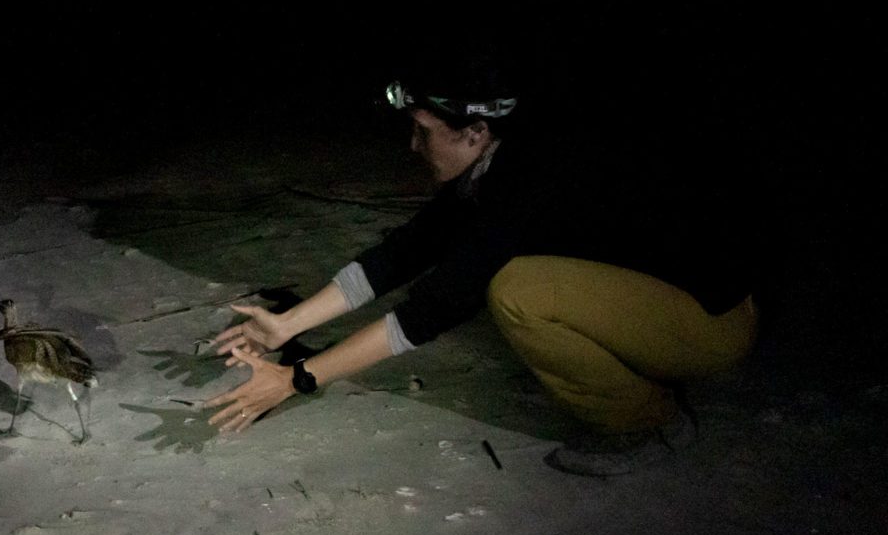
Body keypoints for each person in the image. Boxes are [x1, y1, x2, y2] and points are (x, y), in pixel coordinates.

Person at [204, 43, 762, 476]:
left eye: (423, 132)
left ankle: (651, 424)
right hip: (665, 299)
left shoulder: (534, 178)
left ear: (474, 132)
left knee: (518, 293)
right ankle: (641, 363)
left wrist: (298, 379)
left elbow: (437, 307)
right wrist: (288, 325)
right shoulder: (507, 153)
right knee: (502, 276)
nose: (413, 146)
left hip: (712, 323)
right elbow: (413, 247)